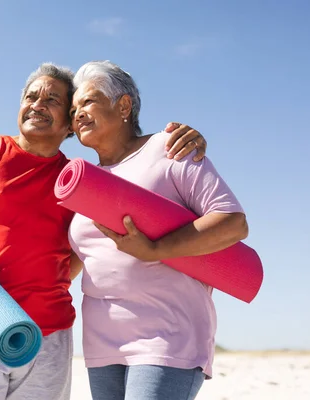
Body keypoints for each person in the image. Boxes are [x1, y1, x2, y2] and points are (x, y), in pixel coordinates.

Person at [0, 62, 207, 400]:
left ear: (70, 125)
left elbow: (83, 251)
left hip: (50, 339)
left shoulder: (78, 180)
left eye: (52, 101)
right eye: (31, 97)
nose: (37, 105)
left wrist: (184, 138)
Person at [67, 60, 249, 400]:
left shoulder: (170, 148)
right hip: (102, 343)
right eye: (74, 108)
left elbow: (232, 221)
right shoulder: (85, 182)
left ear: (124, 106)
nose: (77, 113)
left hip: (168, 336)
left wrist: (156, 250)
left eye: (88, 102)